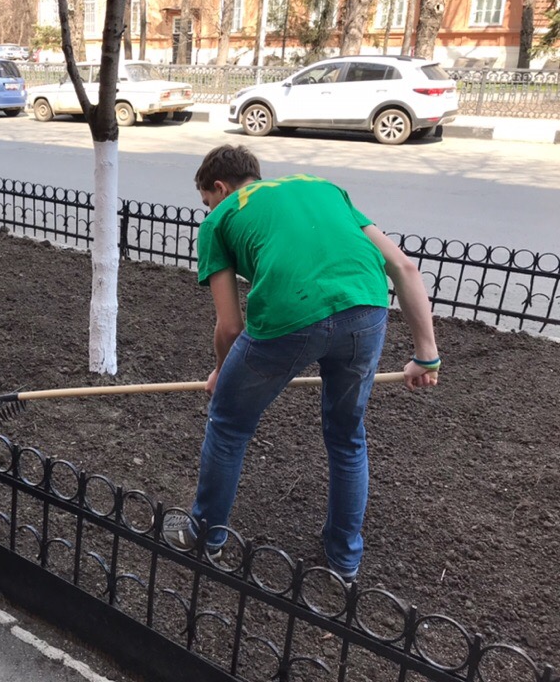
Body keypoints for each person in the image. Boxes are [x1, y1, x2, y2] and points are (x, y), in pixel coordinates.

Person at [162, 144, 439, 582]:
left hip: (290, 318)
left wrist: (222, 373)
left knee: (229, 425)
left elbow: (231, 328)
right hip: (366, 311)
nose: (208, 210)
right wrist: (427, 355)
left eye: (206, 201)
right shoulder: (323, 188)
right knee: (347, 437)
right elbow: (404, 267)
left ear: (219, 187)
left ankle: (204, 535)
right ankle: (344, 561)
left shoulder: (220, 218)